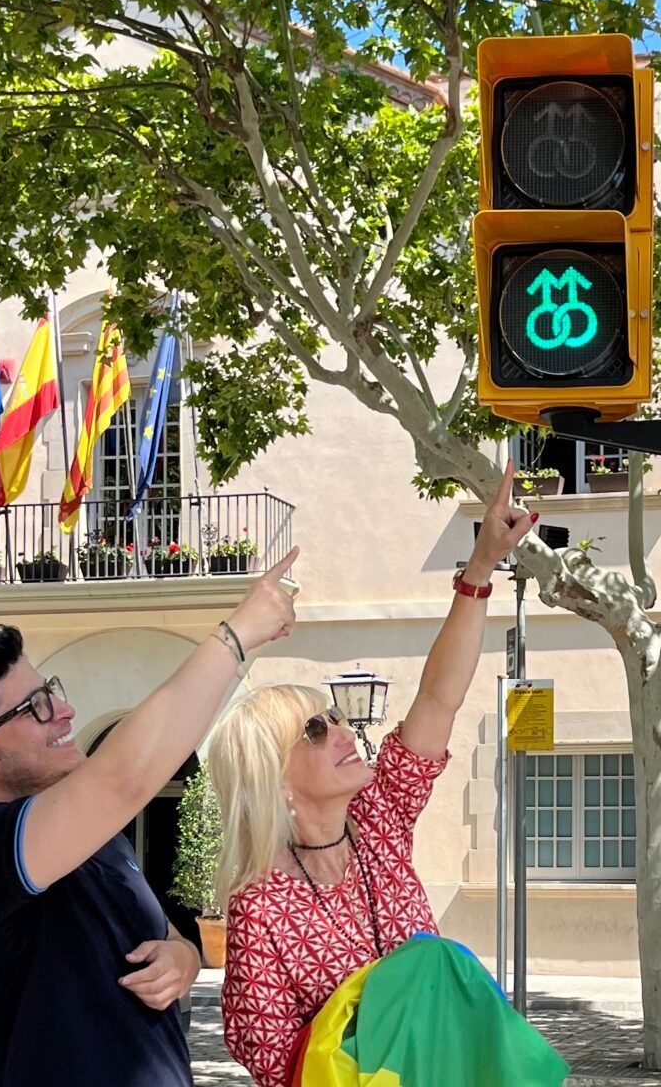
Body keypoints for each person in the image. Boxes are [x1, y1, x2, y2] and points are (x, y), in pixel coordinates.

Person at [0, 549, 300, 1086]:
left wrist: (183, 959)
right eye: (33, 707)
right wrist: (237, 637)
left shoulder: (94, 835)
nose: (64, 711)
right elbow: (123, 777)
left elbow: (163, 933)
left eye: (50, 690)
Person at [210, 465, 536, 1085]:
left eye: (334, 716)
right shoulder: (261, 908)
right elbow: (276, 1065)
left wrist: (479, 571)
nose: (340, 731)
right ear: (272, 780)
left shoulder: (378, 820)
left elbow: (439, 700)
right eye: (313, 730)